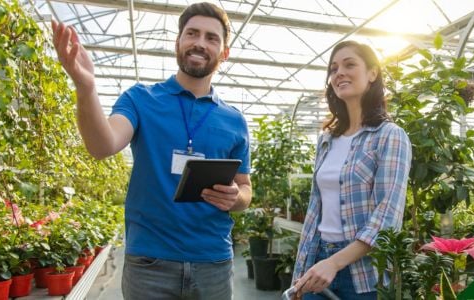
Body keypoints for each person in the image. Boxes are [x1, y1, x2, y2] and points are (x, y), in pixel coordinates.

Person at [51, 2, 251, 299]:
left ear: (224, 53)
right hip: (149, 263)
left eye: (211, 37)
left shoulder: (234, 120)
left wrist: (236, 198)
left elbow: (245, 188)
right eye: (192, 33)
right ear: (178, 43)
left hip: (213, 263)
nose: (199, 42)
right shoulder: (140, 99)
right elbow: (101, 145)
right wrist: (86, 87)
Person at [291, 40, 412, 299]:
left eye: (349, 65)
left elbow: (387, 216)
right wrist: (304, 267)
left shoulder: (389, 136)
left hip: (362, 272)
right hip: (318, 260)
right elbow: (316, 210)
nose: (339, 73)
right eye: (333, 69)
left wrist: (334, 262)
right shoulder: (327, 139)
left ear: (372, 73)